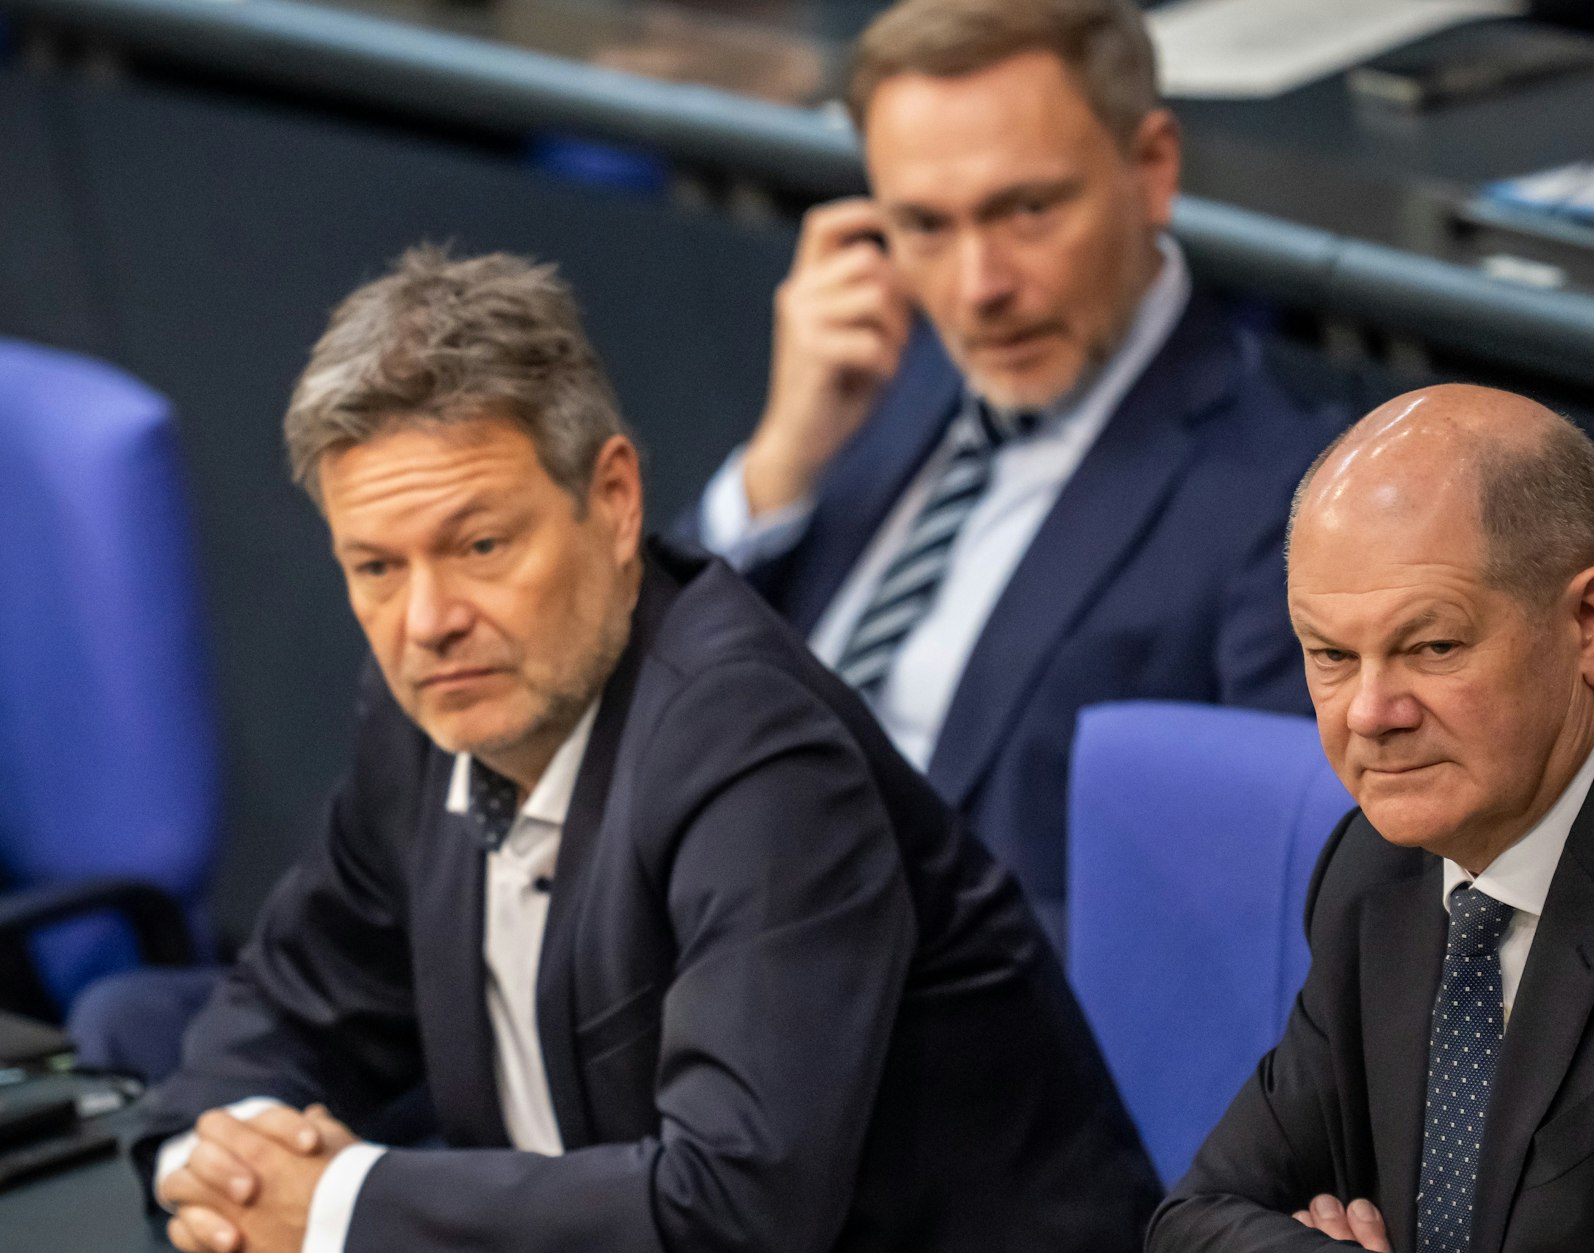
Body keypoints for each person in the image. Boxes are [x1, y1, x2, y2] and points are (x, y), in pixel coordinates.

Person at [135, 247, 1160, 1253]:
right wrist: (210, 1160)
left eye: (480, 544)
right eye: (375, 567)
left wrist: (337, 1207)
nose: (427, 618)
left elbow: (735, 1204)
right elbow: (296, 996)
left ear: (614, 499)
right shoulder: (434, 699)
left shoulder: (756, 753)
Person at [1148, 383, 1594, 1252]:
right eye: (1332, 655)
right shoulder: (1379, 863)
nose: (1370, 713)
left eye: (1432, 646)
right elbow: (1191, 1222)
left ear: (1593, 623)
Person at [684, 0, 1342, 942]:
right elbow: (645, 691)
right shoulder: (874, 377)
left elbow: (1265, 919)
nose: (978, 287)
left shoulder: (1284, 498)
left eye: (1028, 210)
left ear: (1152, 169)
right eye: (925, 226)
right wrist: (782, 461)